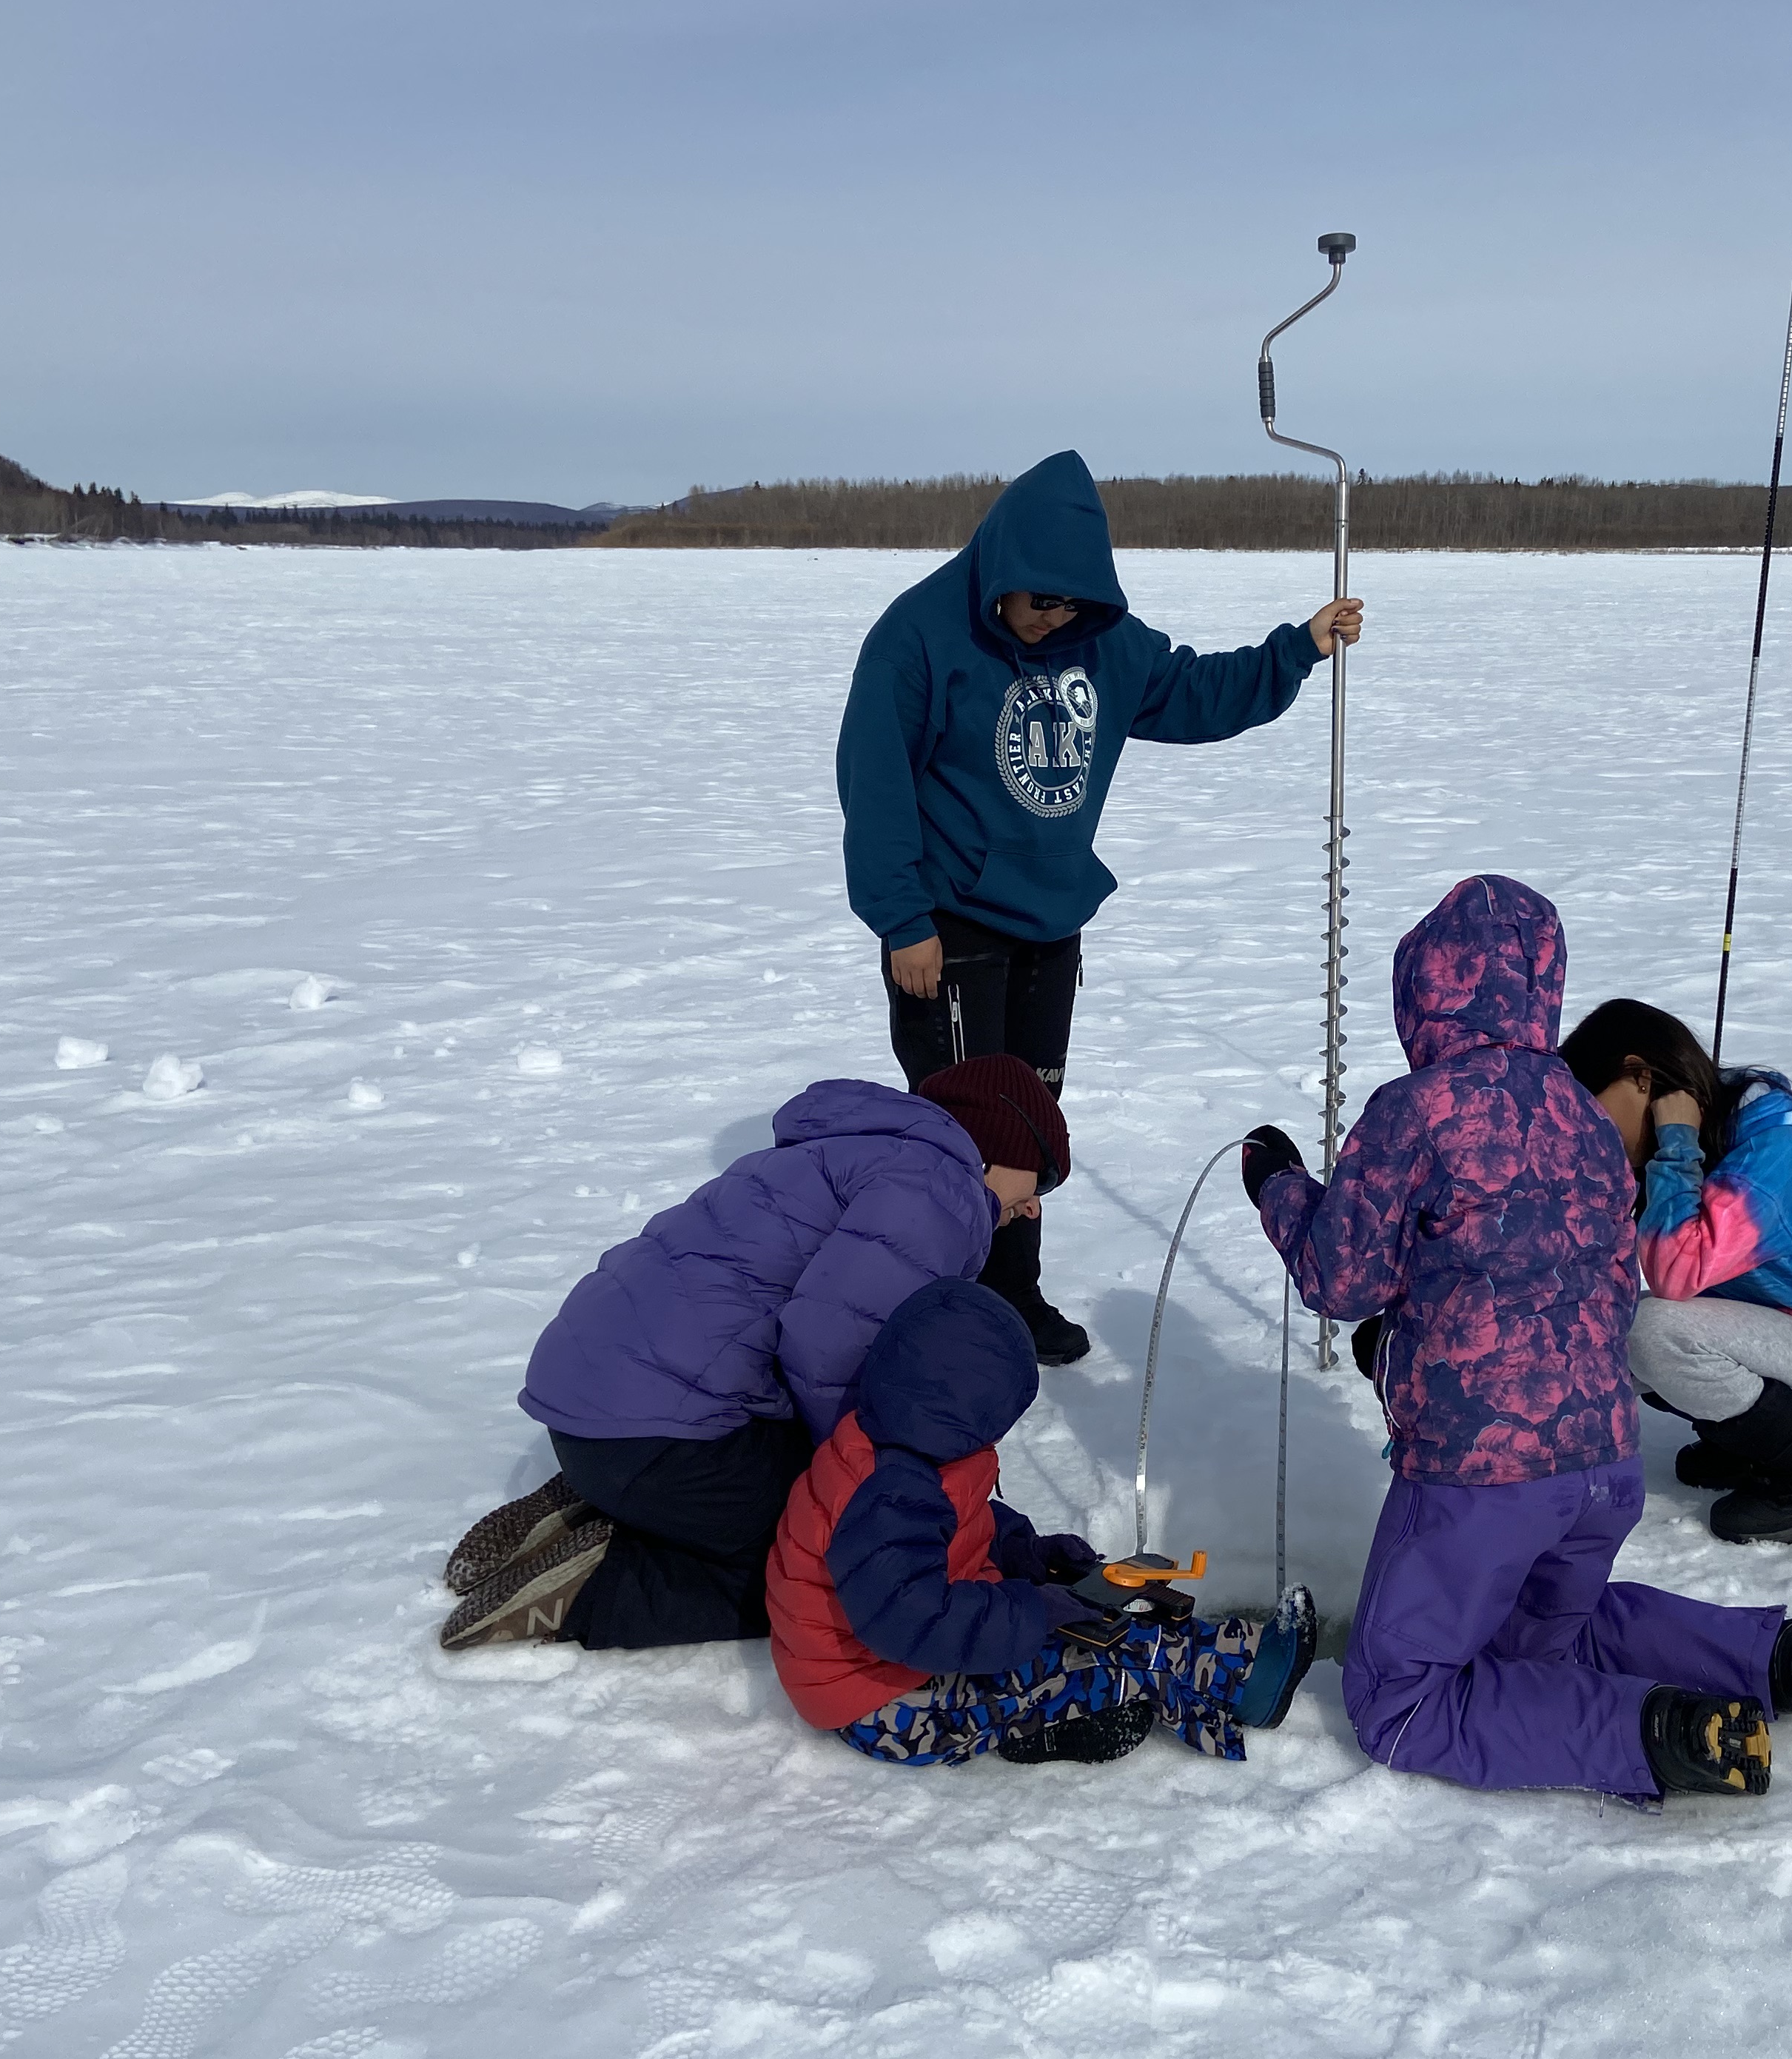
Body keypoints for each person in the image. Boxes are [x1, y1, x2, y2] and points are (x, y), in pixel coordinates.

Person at [1243, 875, 1792, 1803]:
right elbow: (1613, 1279)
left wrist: (1281, 1185)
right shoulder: (1584, 1117)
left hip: (1479, 1475)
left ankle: (1657, 1736)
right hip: (1600, 1460)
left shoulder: (1415, 1111)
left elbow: (1344, 1280)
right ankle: (1777, 1660)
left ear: (1422, 991)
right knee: (1546, 1634)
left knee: (1401, 1698)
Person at [836, 449, 1363, 1368]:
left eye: (1070, 607)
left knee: (1030, 1123)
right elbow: (874, 782)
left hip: (1051, 921)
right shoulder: (918, 635)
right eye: (1039, 604)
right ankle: (938, 1307)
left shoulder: (1101, 639)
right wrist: (902, 920)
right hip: (950, 923)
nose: (1052, 622)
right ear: (1003, 573)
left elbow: (1193, 691)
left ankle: (1011, 1295)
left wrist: (1297, 648)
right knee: (956, 1128)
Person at [434, 1057, 1069, 1652]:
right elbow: (835, 1349)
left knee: (823, 1517)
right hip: (659, 1440)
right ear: (997, 1148)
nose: (1037, 1205)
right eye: (1039, 1178)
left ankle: (597, 1502)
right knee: (830, 1575)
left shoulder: (849, 1150)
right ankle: (594, 1590)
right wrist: (867, 1488)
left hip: (594, 1405)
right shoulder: (941, 1191)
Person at [767, 1277, 1318, 1767]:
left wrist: (1026, 1553)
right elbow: (912, 1621)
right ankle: (1243, 1683)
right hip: (881, 1699)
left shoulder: (907, 1444)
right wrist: (1030, 1610)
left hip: (907, 1659)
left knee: (1097, 1617)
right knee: (1106, 1658)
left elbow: (959, 1526)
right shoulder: (889, 1492)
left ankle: (1230, 1653)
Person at [1560, 999, 1792, 1546]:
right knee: (1611, 1331)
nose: (1590, 1134)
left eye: (1594, 1112)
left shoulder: (1767, 1157)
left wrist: (1676, 1147)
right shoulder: (1688, 1151)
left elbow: (1676, 1274)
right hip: (1774, 1340)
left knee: (1652, 1332)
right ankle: (1749, 1442)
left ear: (1640, 1076)